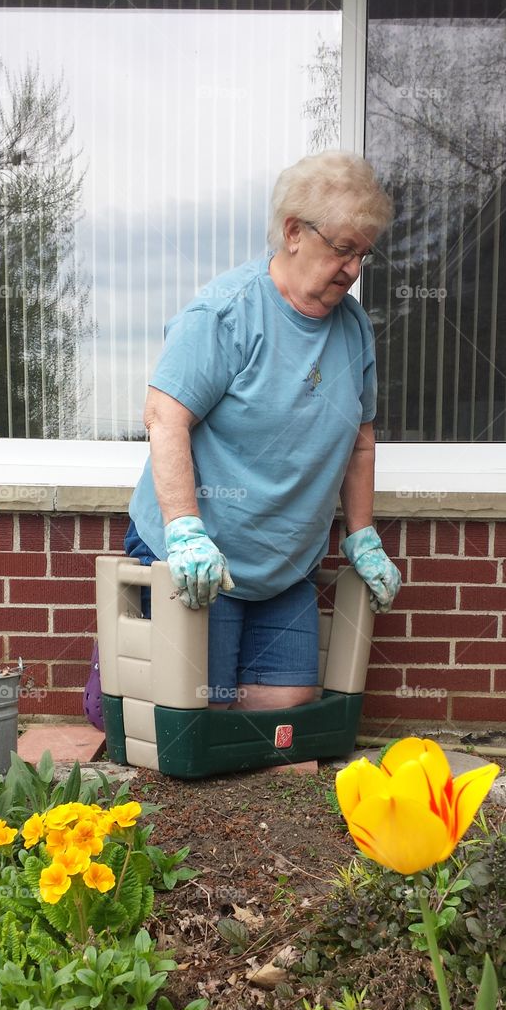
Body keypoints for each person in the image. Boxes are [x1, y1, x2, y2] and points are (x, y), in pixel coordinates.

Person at [123, 150, 402, 710]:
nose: (352, 269)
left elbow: (360, 439)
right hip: (206, 556)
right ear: (294, 232)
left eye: (362, 254)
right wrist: (185, 533)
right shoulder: (227, 314)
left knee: (287, 712)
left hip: (286, 564)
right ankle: (117, 683)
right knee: (206, 706)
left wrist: (362, 535)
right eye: (342, 249)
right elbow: (164, 416)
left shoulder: (353, 330)